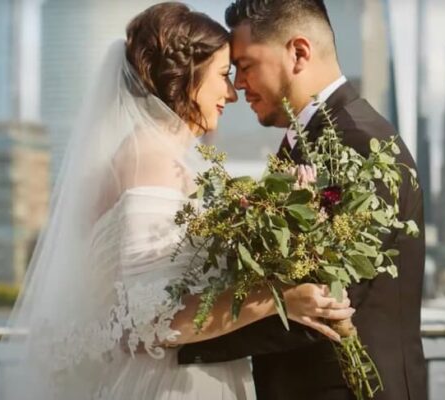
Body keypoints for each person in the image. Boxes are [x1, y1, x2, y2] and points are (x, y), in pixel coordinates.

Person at [0, 3, 353, 399]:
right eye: (222, 75)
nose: (231, 93)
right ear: (186, 78)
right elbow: (152, 319)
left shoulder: (143, 159)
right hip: (174, 384)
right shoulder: (151, 161)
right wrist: (277, 298)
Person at [178, 1, 427, 399]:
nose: (238, 85)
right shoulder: (304, 142)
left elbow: (330, 300)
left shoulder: (361, 143)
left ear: (298, 52)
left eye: (245, 65)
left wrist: (181, 335)